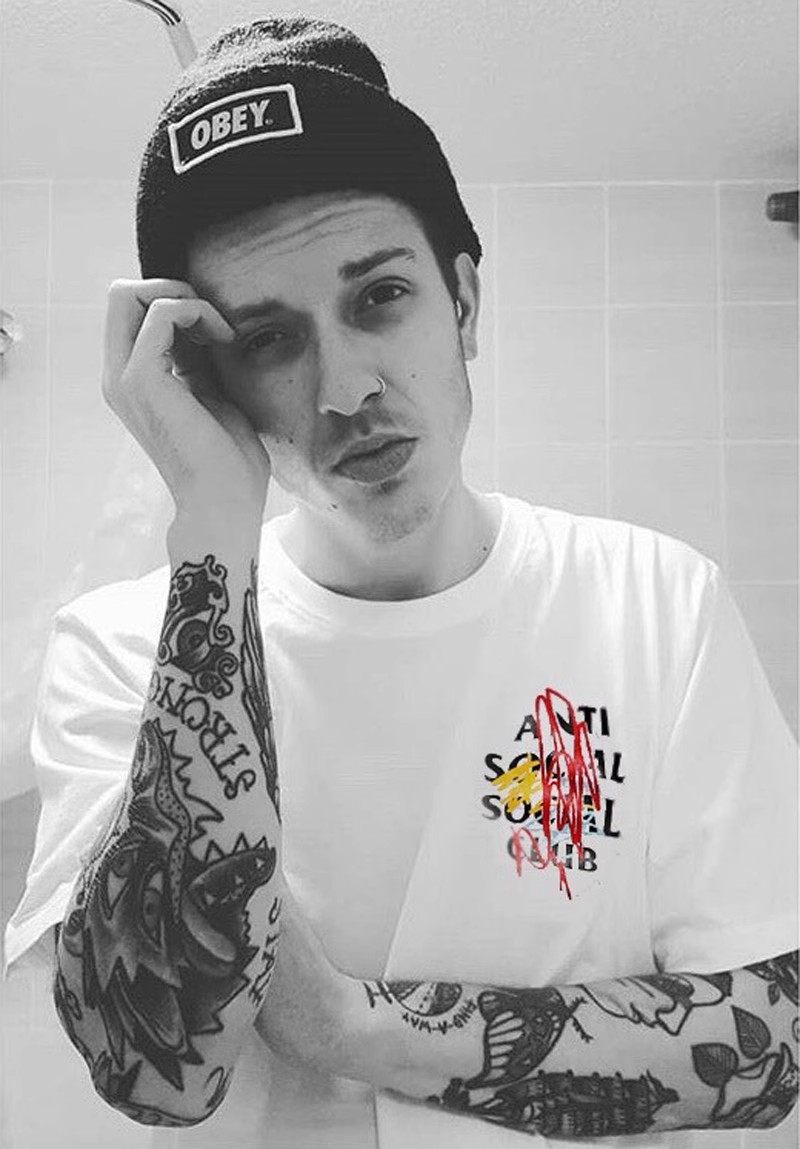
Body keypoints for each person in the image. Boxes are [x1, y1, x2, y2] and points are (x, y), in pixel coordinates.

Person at [4, 15, 798, 1149]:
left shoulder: (654, 602)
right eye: (268, 340)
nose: (344, 390)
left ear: (462, 301)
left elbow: (773, 1043)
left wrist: (348, 1028)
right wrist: (212, 532)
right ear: (209, 377)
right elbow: (155, 1071)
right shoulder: (125, 647)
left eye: (378, 297)